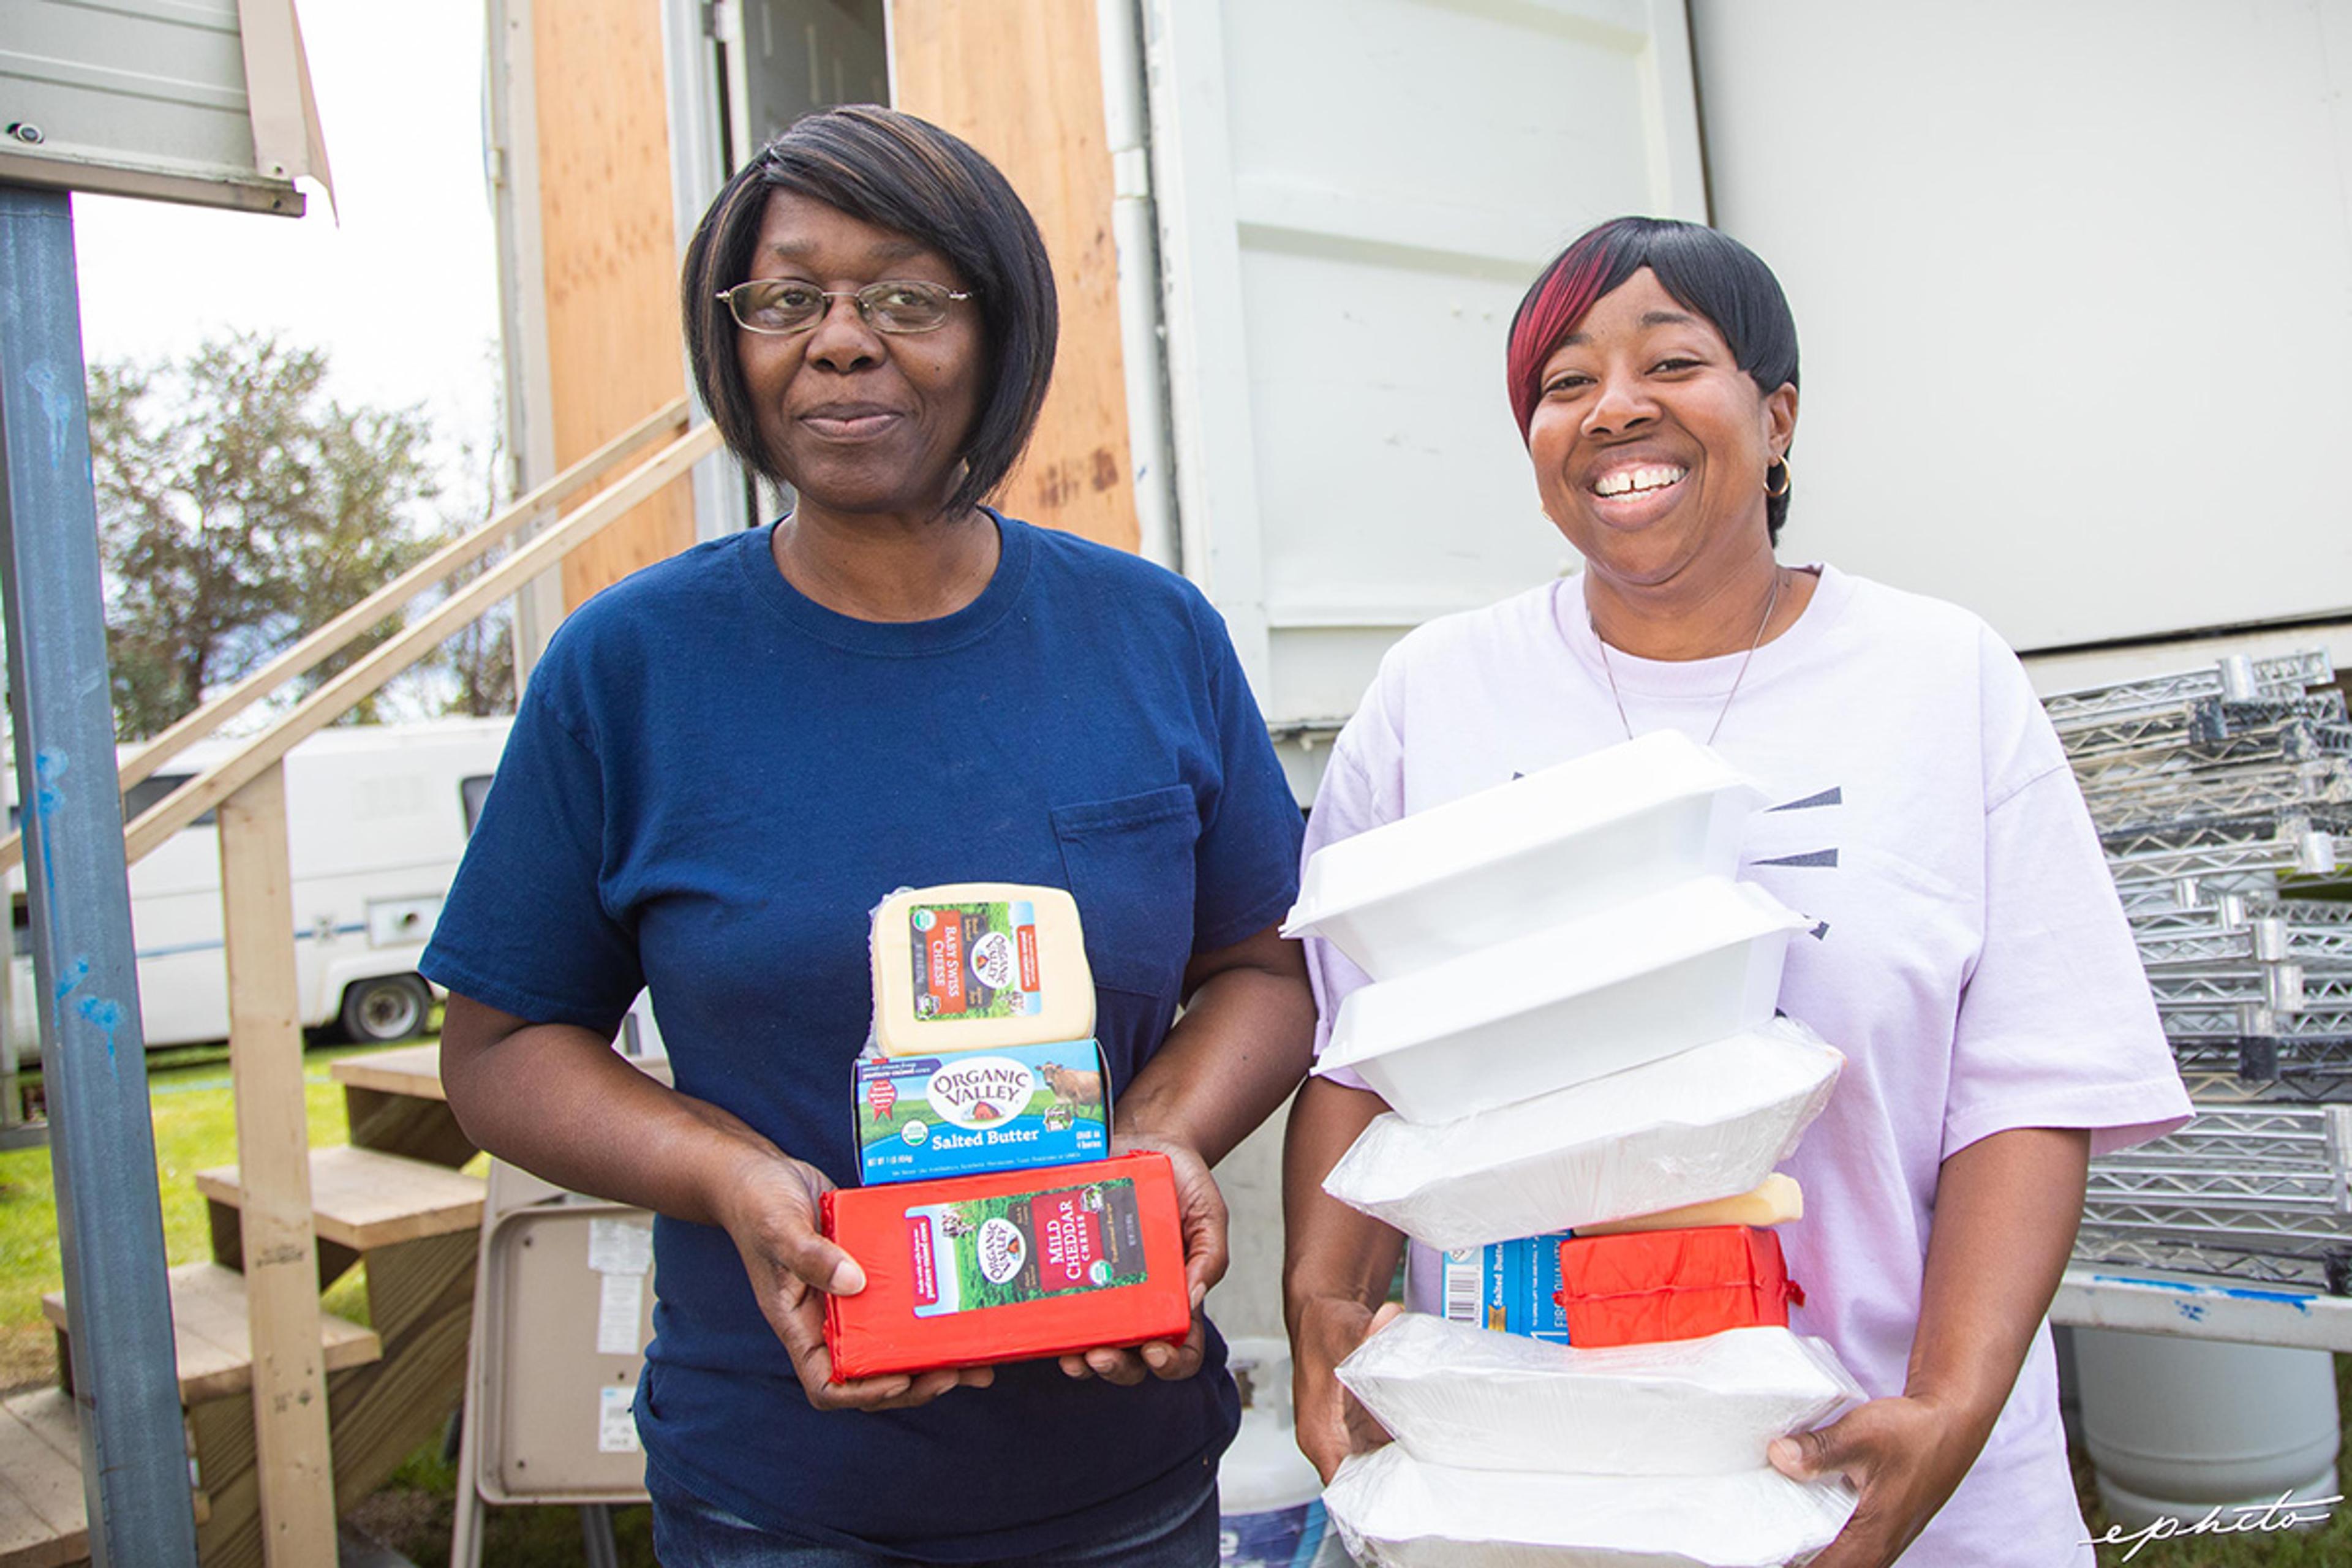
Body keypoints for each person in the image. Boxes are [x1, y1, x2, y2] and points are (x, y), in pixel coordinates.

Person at [423, 105, 1315, 1566]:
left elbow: (1267, 970)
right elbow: (502, 1045)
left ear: (996, 332)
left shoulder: (1150, 636)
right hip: (781, 1489)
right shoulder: (632, 668)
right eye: (787, 300)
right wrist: (730, 1175)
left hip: (1128, 1465)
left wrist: (1159, 1140)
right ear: (736, 344)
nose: (839, 342)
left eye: (906, 297)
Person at [1282, 216, 2192, 1567]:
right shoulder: (1436, 695)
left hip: (1887, 1470)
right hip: (1523, 1490)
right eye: (1565, 382)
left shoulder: (1940, 677)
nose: (1615, 408)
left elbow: (2029, 1090)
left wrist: (1946, 1409)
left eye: (1671, 362)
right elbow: (1362, 1058)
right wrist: (1324, 1298)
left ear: (1777, 419)